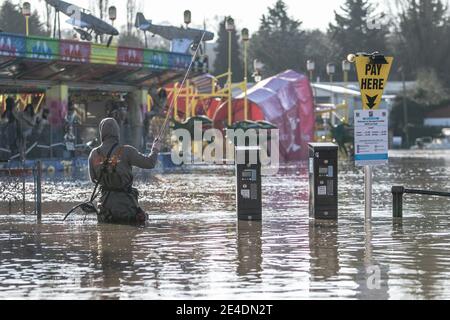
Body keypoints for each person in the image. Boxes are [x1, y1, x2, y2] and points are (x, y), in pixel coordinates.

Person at [88, 118, 161, 225]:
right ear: (117, 132)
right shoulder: (127, 151)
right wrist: (155, 149)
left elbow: (93, 179)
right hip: (126, 208)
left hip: (105, 209)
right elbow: (150, 163)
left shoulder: (94, 153)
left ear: (101, 133)